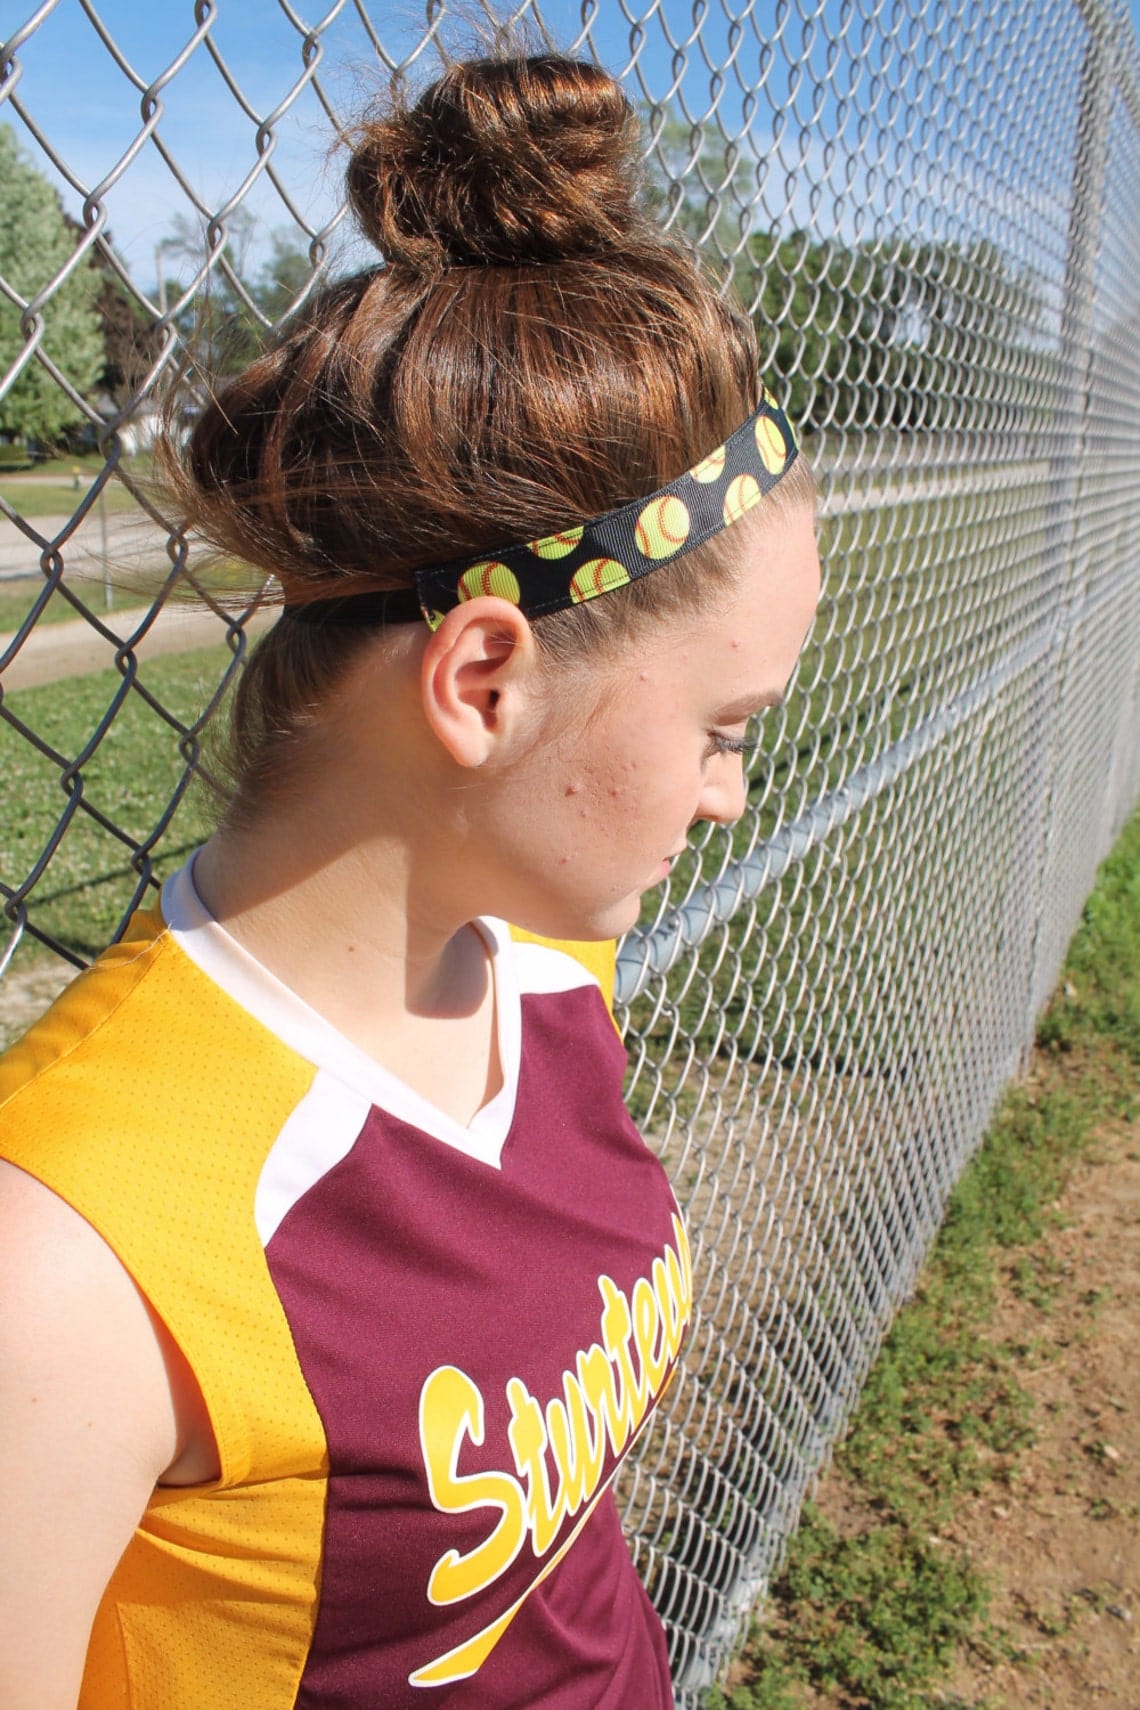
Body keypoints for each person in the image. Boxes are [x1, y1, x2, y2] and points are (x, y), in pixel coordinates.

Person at [0, 51, 819, 1710]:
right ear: (483, 683)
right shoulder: (80, 1263)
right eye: (727, 726)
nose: (733, 794)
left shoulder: (539, 957)